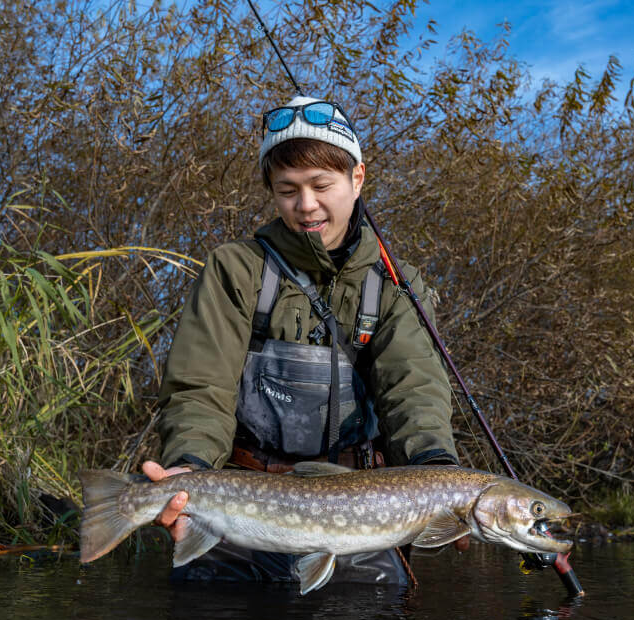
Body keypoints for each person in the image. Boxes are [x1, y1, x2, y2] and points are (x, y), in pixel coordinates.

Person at [141, 95, 463, 585]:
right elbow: (199, 387)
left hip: (358, 506)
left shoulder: (398, 285)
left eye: (320, 185)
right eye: (288, 189)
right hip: (243, 498)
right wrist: (189, 462)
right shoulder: (236, 268)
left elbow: (414, 391)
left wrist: (439, 472)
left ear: (357, 180)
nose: (305, 204)